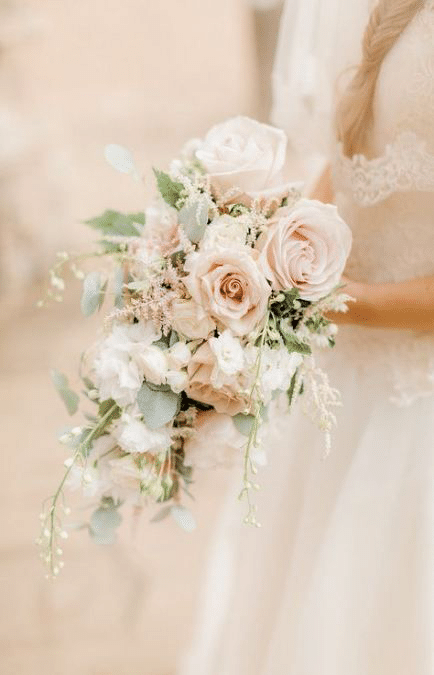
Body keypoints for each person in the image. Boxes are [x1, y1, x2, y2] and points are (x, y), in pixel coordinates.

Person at [176, 1, 434, 673]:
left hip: (414, 414)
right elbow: (351, 161)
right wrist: (261, 253)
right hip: (334, 398)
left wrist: (322, 298)